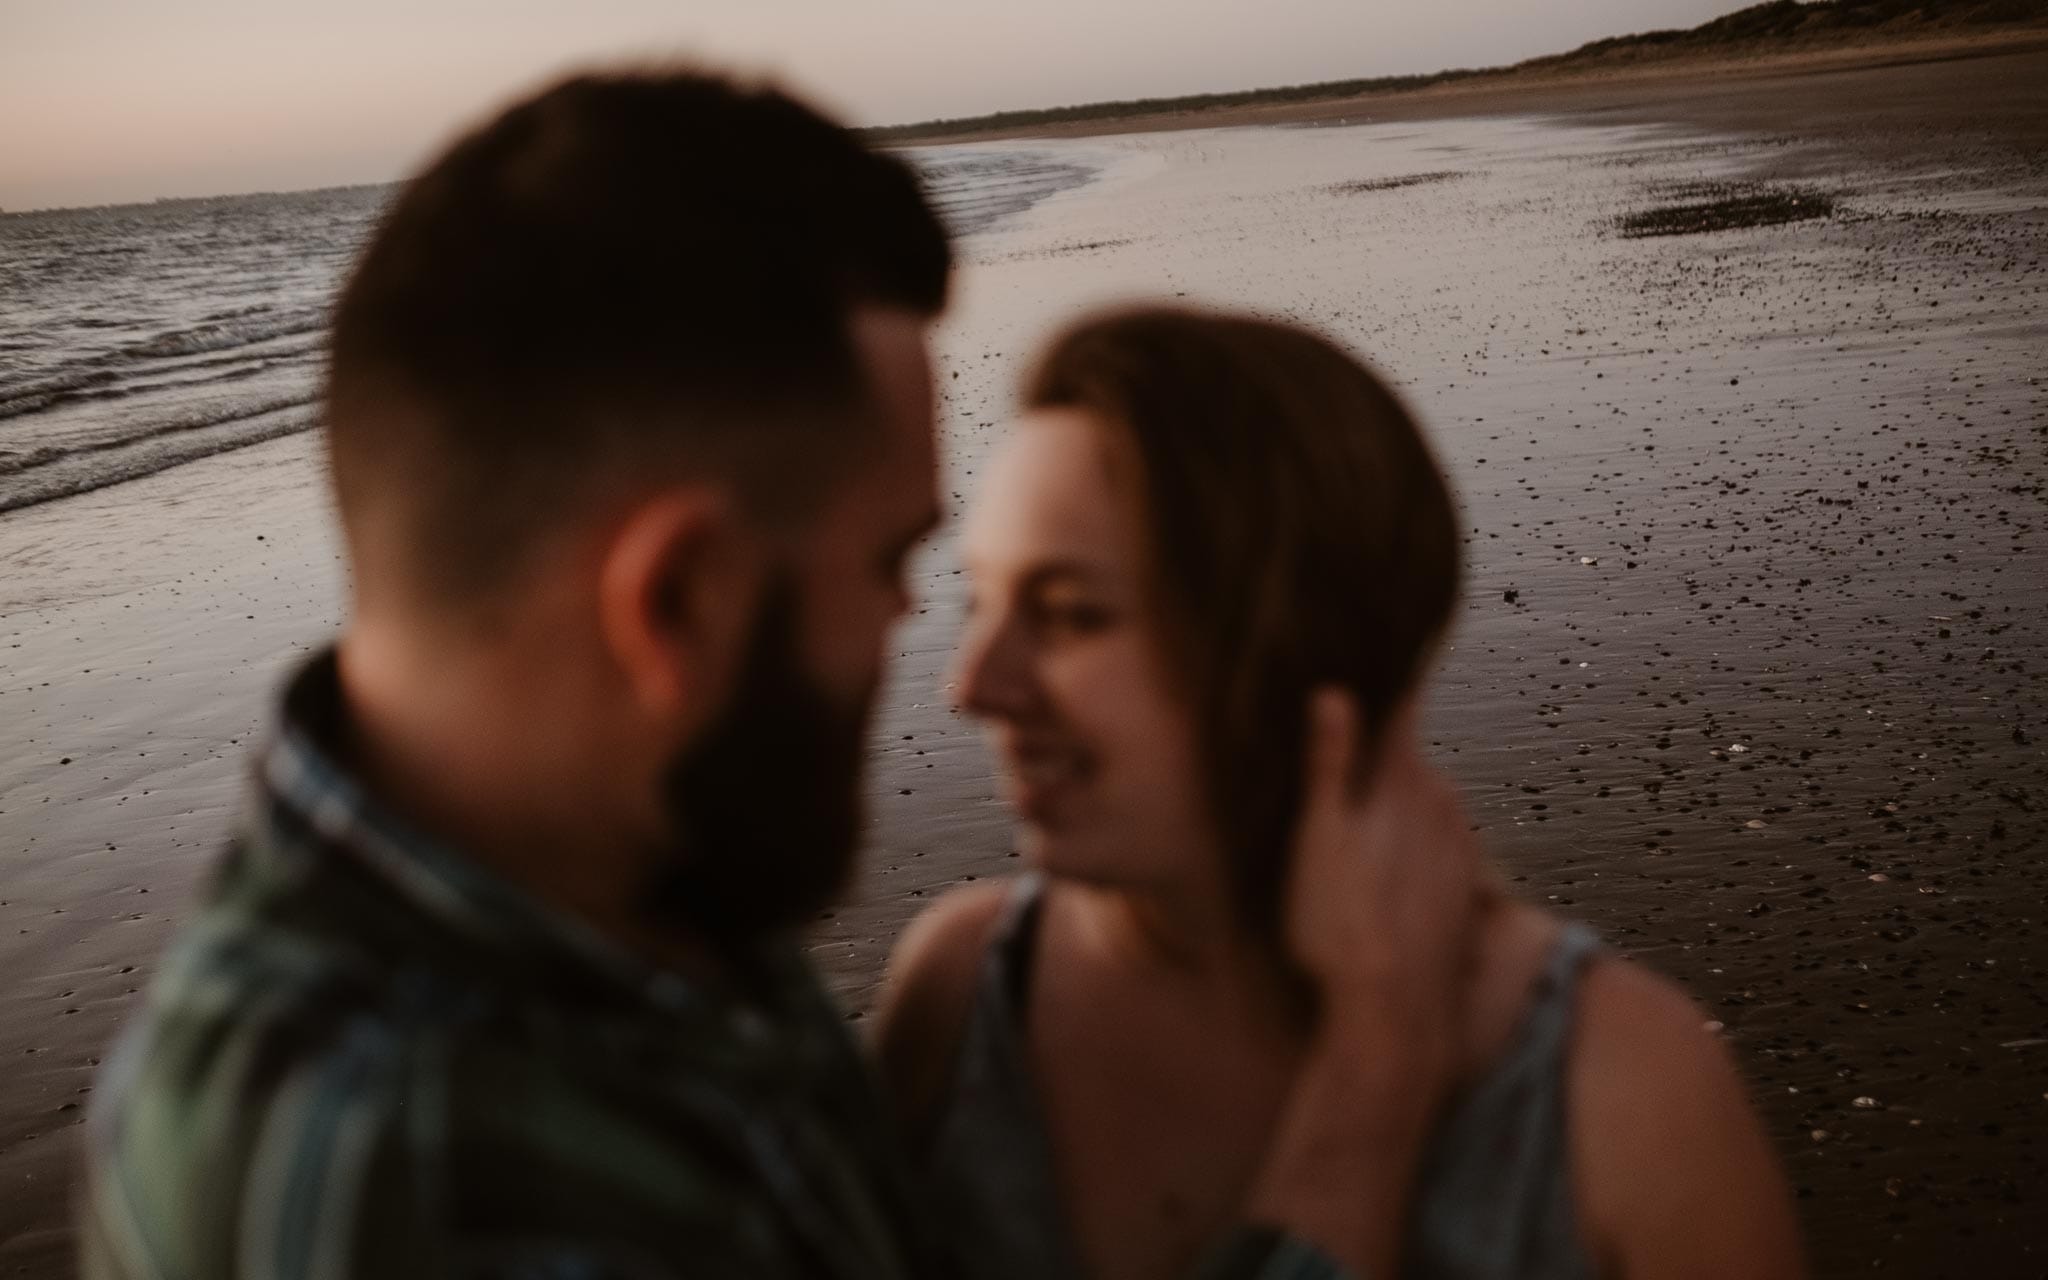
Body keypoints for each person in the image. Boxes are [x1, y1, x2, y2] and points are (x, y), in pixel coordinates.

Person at [81, 72, 1483, 1280]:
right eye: (887, 565)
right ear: (677, 599)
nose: (943, 666)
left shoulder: (628, 871)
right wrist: (1369, 1081)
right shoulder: (418, 1188)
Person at [877, 307, 1807, 1280]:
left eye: (1071, 612)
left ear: (1297, 646)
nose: (971, 683)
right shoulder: (960, 992)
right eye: (976, 601)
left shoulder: (1613, 1085)